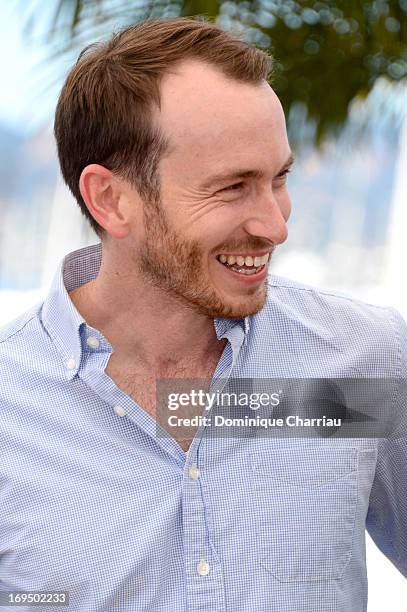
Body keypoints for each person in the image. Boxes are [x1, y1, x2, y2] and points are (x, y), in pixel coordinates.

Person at [0, 16, 406, 612]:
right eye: (233, 187)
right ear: (111, 199)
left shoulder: (363, 363)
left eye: (278, 178)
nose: (275, 225)